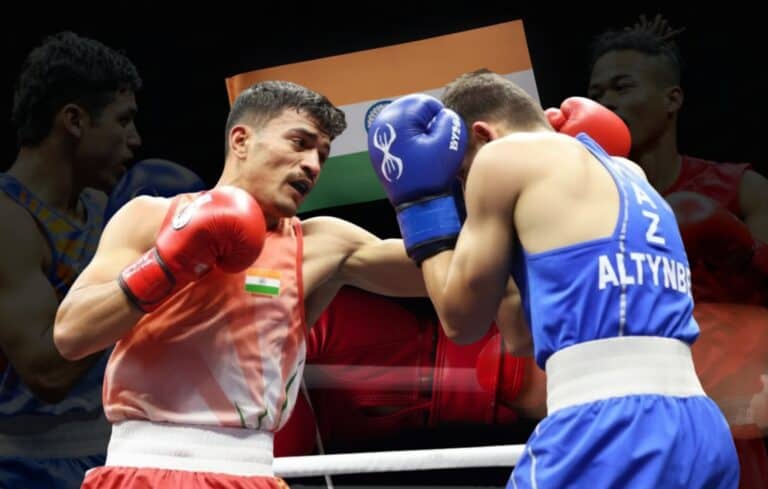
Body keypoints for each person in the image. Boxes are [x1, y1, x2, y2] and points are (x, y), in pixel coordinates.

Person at [367, 69, 740, 487]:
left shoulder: (500, 159)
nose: (465, 188)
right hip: (700, 428)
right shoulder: (630, 175)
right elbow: (521, 338)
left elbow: (461, 321)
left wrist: (420, 205)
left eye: (461, 175)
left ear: (483, 135)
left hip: (609, 428)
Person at [53, 79, 430, 489]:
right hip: (140, 468)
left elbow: (443, 276)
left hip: (248, 473)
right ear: (241, 140)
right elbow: (71, 335)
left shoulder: (321, 244)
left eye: (322, 154)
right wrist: (168, 263)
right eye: (299, 143)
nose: (313, 165)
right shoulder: (149, 217)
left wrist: (430, 198)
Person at [587, 18, 768, 487]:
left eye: (622, 87)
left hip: (736, 424)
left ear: (673, 99)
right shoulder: (582, 208)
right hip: (631, 429)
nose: (606, 102)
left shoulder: (741, 189)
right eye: (597, 92)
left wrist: (740, 248)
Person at [0, 31, 142, 488]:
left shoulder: (106, 210)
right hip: (26, 468)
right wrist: (157, 275)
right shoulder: (9, 219)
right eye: (123, 121)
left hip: (116, 450)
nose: (134, 140)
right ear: (75, 120)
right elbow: (47, 371)